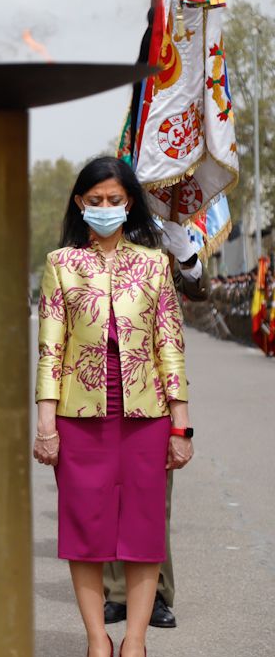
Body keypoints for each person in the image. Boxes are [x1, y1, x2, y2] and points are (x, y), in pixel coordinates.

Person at [33, 157, 193, 657]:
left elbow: (170, 345)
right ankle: (98, 640)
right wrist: (45, 425)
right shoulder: (61, 264)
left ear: (130, 204)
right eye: (95, 200)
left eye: (115, 200)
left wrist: (181, 424)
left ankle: (136, 643)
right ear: (80, 204)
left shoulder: (154, 265)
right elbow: (50, 350)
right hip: (78, 421)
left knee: (145, 532)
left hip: (146, 417)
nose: (105, 208)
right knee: (86, 533)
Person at [102, 218, 208, 629]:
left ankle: (158, 593)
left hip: (156, 382)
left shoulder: (166, 229)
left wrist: (185, 253)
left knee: (152, 499)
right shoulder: (101, 234)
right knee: (109, 495)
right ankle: (116, 593)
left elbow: (199, 291)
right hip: (104, 383)